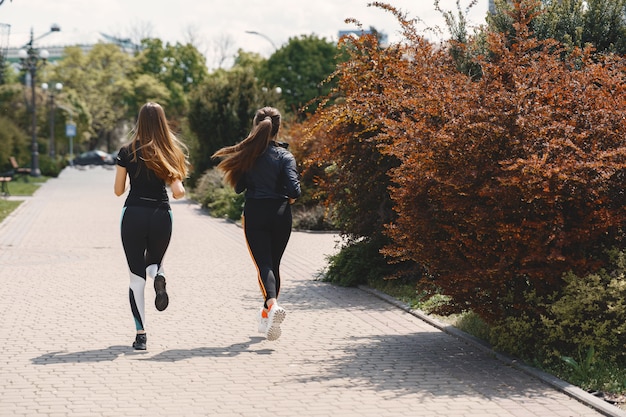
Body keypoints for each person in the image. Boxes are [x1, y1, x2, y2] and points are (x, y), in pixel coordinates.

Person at [213, 106, 301, 341]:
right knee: (274, 265)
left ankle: (271, 306)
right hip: (282, 214)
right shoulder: (286, 156)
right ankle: (266, 315)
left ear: (256, 126)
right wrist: (286, 196)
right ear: (278, 128)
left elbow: (239, 187)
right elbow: (295, 191)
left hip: (255, 213)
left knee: (264, 265)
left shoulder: (248, 156)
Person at [114, 102, 189, 350]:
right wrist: (170, 176)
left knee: (136, 278)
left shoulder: (127, 151)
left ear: (140, 122)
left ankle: (141, 335)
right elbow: (178, 193)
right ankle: (159, 275)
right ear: (162, 122)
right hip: (161, 215)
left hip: (133, 213)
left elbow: (117, 191)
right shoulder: (169, 151)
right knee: (154, 262)